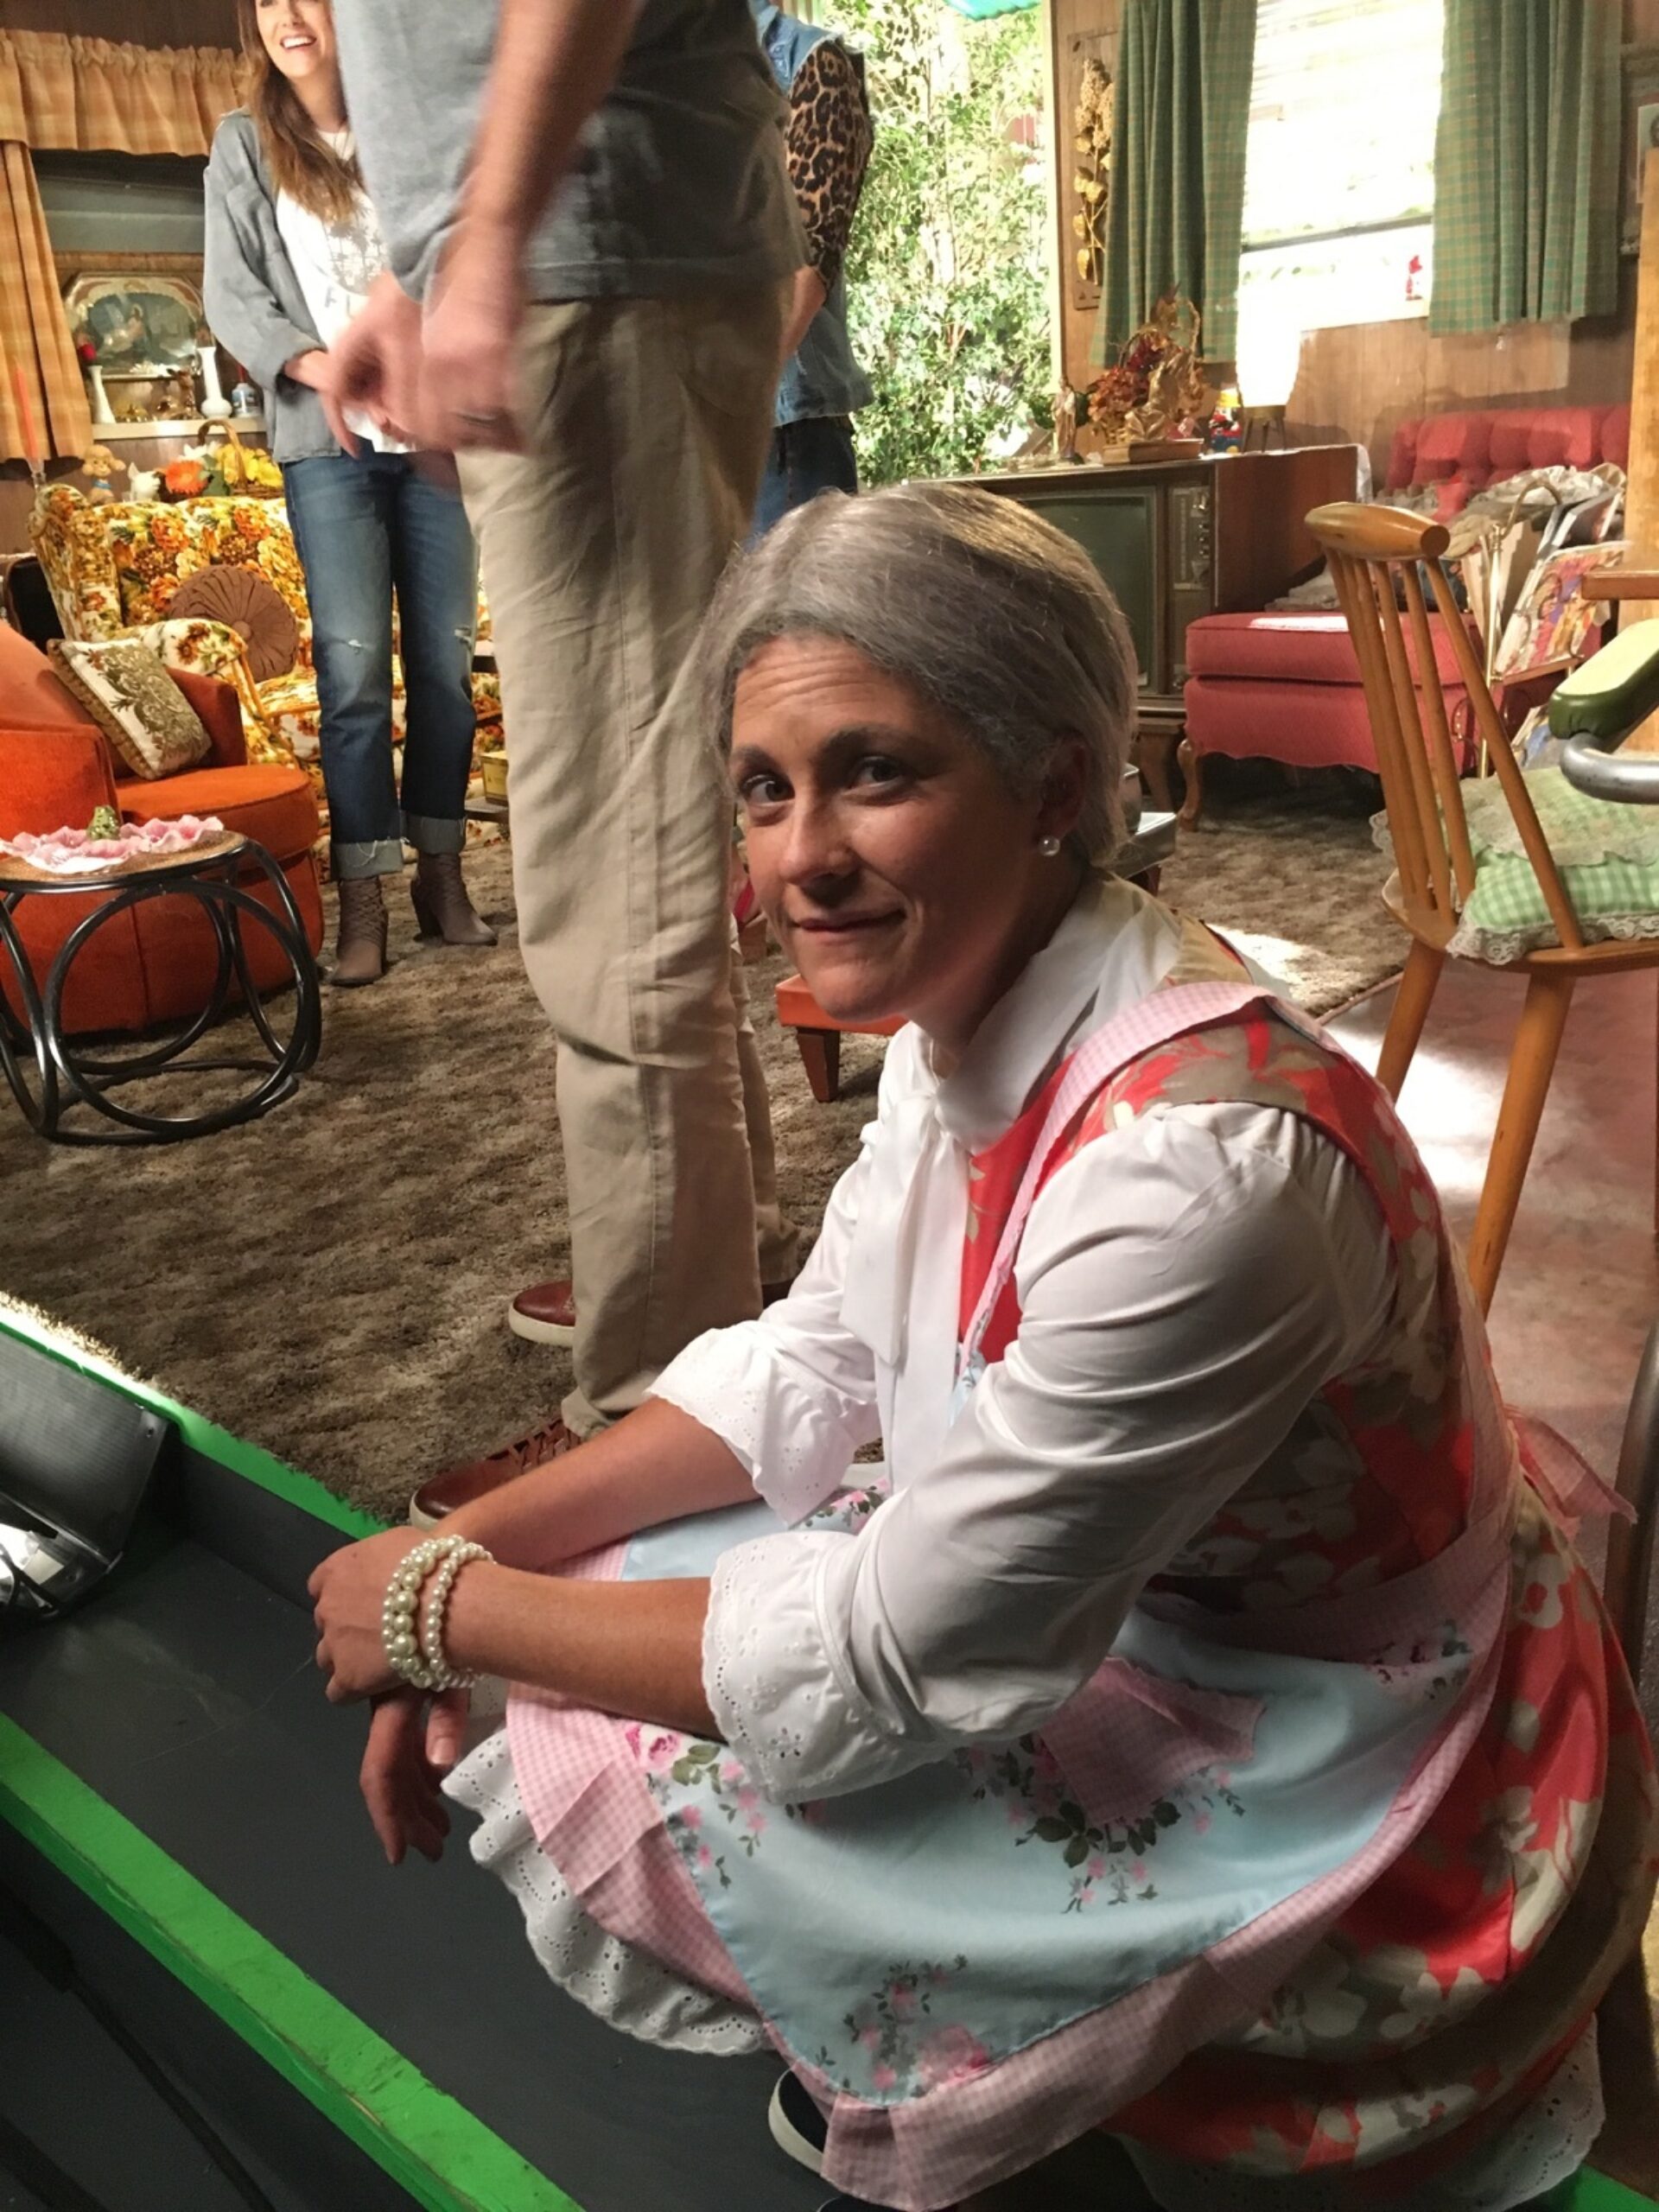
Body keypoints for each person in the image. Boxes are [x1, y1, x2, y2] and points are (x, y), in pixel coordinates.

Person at [310, 487, 1657, 2212]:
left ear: (1055, 790)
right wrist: (472, 1543)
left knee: (649, 1676)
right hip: (1152, 1586)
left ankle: (1036, 2067)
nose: (800, 855)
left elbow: (898, 1659)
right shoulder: (987, 999)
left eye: (874, 772)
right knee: (616, 1591)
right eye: (764, 787)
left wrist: (446, 1612)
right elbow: (818, 1357)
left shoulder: (1204, 1167)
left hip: (1332, 1712)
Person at [320, 0, 803, 1485]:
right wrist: (421, 268)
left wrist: (488, 238)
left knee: (612, 889)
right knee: (639, 848)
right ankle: (716, 1268)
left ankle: (658, 1425)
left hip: (588, 254)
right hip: (571, 247)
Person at [204, 0, 492, 988]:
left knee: (446, 665)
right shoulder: (244, 144)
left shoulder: (404, 118)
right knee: (355, 671)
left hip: (433, 436)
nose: (287, 15)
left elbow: (456, 256)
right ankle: (364, 893)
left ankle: (441, 874)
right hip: (326, 447)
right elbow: (233, 293)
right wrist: (329, 371)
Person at [748, 0, 874, 536]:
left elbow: (807, 268)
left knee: (790, 592)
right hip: (704, 422)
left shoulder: (809, 61)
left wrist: (726, 400)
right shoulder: (673, 68)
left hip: (783, 430)